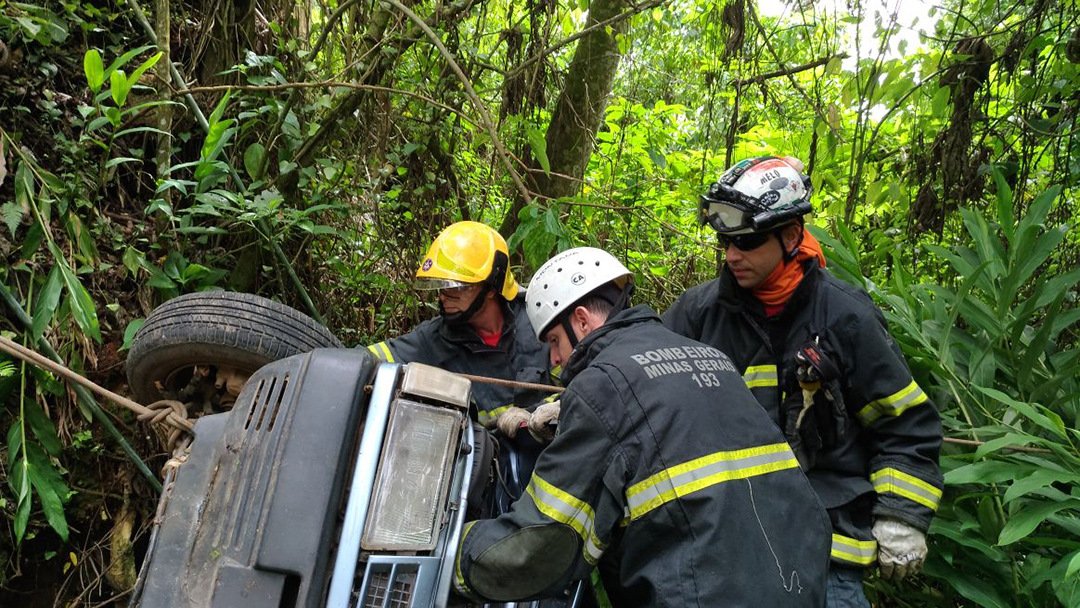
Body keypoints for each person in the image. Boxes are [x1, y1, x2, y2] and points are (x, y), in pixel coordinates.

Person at [453, 247, 830, 606]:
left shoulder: (601, 386)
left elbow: (542, 543)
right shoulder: (710, 357)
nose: (553, 359)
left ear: (581, 320)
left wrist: (457, 552)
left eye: (553, 340)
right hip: (797, 579)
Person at [662, 156, 944, 607]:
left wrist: (902, 516)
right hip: (728, 546)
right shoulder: (700, 313)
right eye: (724, 242)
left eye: (748, 242)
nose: (732, 256)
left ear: (791, 235)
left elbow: (906, 427)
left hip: (826, 553)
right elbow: (643, 380)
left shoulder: (846, 317)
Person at [366, 221, 556, 433]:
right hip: (482, 461)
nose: (444, 297)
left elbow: (587, 377)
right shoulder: (431, 340)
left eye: (455, 288)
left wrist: (557, 407)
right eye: (441, 287)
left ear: (491, 287)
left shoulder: (540, 318)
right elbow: (363, 361)